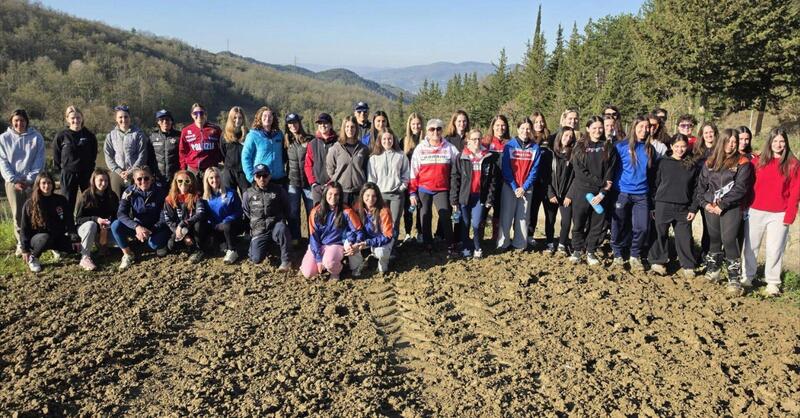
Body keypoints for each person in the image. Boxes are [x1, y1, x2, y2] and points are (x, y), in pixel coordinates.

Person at [742, 128, 800, 296]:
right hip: (755, 210)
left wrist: (790, 214)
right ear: (770, 142)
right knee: (751, 246)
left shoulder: (793, 164)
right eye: (775, 141)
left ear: (786, 143)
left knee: (775, 249)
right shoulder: (758, 162)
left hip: (779, 213)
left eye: (781, 141)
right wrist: (744, 206)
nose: (778, 144)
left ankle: (773, 282)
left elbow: (795, 192)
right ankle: (747, 276)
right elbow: (747, 186)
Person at [695, 128, 753, 296]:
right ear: (722, 142)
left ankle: (734, 278)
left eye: (734, 142)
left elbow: (741, 188)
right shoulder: (710, 161)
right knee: (714, 238)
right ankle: (713, 270)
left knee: (729, 240)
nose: (731, 144)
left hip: (730, 207)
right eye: (728, 141)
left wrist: (723, 204)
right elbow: (701, 185)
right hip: (711, 206)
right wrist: (705, 203)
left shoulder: (743, 162)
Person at [647, 134, 700, 278]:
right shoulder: (663, 162)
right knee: (660, 234)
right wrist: (653, 205)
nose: (680, 149)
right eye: (676, 146)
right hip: (663, 205)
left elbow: (696, 189)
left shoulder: (692, 165)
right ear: (671, 146)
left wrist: (693, 208)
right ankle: (658, 261)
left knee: (684, 237)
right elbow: (655, 184)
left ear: (687, 147)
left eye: (683, 146)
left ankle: (688, 265)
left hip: (683, 207)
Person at [568, 116, 617, 264]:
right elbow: (580, 172)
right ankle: (577, 250)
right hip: (582, 191)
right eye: (594, 128)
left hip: (600, 194)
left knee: (597, 224)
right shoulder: (579, 147)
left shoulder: (608, 147)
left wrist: (603, 192)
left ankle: (591, 251)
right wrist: (601, 183)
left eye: (600, 128)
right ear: (588, 129)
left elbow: (610, 171)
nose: (598, 131)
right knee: (578, 223)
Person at [611, 115, 657, 270]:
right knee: (618, 224)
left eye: (647, 127)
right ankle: (617, 254)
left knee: (642, 227)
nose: (644, 130)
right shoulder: (620, 146)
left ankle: (634, 255)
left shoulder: (650, 149)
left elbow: (652, 174)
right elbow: (612, 168)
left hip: (642, 195)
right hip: (622, 192)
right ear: (634, 127)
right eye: (641, 126)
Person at [409, 118, 459, 252]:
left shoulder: (449, 147)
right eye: (432, 129)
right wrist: (412, 192)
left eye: (438, 129)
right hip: (424, 188)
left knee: (445, 216)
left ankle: (450, 244)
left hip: (442, 188)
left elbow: (459, 164)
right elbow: (413, 171)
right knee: (425, 215)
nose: (435, 132)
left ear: (442, 131)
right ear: (427, 131)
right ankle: (428, 243)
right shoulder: (420, 148)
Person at [0, 109, 45, 255]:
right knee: (18, 213)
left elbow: (39, 160)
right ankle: (21, 242)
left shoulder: (36, 137)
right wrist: (14, 180)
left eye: (22, 120)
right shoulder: (3, 138)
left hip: (33, 182)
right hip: (13, 182)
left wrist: (30, 179)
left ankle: (37, 240)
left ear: (27, 121)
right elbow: (3, 161)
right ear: (11, 122)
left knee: (36, 211)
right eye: (16, 121)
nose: (19, 123)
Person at [450, 129, 500, 258]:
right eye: (474, 139)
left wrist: (490, 198)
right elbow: (455, 179)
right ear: (468, 141)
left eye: (479, 139)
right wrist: (454, 199)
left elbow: (492, 180)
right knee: (465, 224)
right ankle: (466, 247)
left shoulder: (487, 157)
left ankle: (478, 247)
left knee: (476, 224)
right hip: (465, 196)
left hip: (479, 197)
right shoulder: (461, 157)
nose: (477, 141)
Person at [300, 182, 364, 280]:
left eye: (336, 194)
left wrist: (356, 243)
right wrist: (318, 259)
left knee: (329, 263)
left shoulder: (347, 211)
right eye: (330, 194)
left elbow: (358, 230)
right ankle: (322, 263)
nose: (333, 197)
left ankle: (336, 271)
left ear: (340, 196)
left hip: (336, 245)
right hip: (319, 245)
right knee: (308, 273)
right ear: (325, 194)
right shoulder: (315, 212)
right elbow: (313, 237)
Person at [20, 173, 81, 273]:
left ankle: (56, 249)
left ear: (53, 184)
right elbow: (24, 228)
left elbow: (69, 221)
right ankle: (34, 258)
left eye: (49, 183)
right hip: (38, 238)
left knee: (77, 248)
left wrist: (75, 238)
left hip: (56, 236)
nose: (47, 186)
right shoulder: (30, 203)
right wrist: (25, 249)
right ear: (38, 185)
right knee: (45, 238)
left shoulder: (61, 200)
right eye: (43, 183)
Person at [111, 167, 170, 271]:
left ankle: (155, 243)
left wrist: (151, 230)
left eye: (146, 178)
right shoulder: (129, 192)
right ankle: (128, 254)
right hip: (138, 226)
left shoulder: (161, 191)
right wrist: (137, 227)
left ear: (151, 178)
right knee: (116, 225)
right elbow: (121, 214)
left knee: (153, 245)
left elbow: (165, 215)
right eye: (139, 179)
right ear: (134, 180)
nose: (143, 181)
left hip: (157, 227)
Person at [498, 118, 542, 251]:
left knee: (523, 217)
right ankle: (503, 243)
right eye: (522, 128)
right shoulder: (509, 146)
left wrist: (524, 187)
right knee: (506, 216)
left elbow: (534, 171)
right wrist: (515, 187)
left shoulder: (535, 148)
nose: (525, 131)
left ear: (531, 130)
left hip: (526, 188)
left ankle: (519, 244)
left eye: (528, 128)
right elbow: (506, 169)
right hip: (510, 186)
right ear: (517, 129)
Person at [242, 164, 291, 270]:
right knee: (255, 259)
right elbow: (246, 212)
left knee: (282, 228)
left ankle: (285, 261)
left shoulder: (278, 190)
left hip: (275, 227)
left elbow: (287, 207)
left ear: (269, 176)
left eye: (264, 175)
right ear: (254, 177)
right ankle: (265, 248)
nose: (262, 178)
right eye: (258, 176)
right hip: (259, 231)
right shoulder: (248, 194)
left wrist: (281, 220)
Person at [53, 105, 97, 214]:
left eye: (78, 117)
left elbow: (93, 154)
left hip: (86, 174)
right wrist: (62, 171)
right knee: (67, 203)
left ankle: (86, 221)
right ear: (67, 119)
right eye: (72, 118)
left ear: (82, 118)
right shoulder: (61, 136)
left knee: (89, 201)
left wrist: (89, 168)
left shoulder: (90, 136)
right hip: (68, 174)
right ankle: (68, 224)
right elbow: (56, 157)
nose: (76, 120)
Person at [368, 131, 409, 243]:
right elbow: (371, 178)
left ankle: (392, 246)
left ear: (394, 139)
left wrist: (401, 187)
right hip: (380, 195)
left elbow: (406, 174)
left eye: (390, 138)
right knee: (380, 221)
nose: (387, 141)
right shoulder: (374, 158)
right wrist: (374, 194)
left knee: (394, 222)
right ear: (380, 141)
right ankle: (380, 245)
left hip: (397, 195)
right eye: (384, 139)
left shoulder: (401, 155)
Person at [75, 169, 119, 270]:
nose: (103, 183)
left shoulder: (112, 195)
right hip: (87, 228)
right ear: (93, 181)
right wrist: (96, 219)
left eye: (106, 180)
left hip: (105, 229)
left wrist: (109, 223)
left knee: (117, 235)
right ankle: (85, 257)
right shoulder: (86, 195)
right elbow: (78, 219)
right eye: (100, 180)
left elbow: (116, 215)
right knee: (92, 225)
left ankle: (103, 246)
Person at [162, 170, 209, 263]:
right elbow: (169, 221)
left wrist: (184, 223)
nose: (183, 184)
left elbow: (200, 213)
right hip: (180, 230)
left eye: (187, 181)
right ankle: (188, 247)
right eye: (180, 181)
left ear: (192, 182)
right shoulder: (169, 199)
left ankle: (198, 250)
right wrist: (184, 235)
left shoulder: (196, 196)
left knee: (199, 224)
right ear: (175, 182)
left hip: (193, 227)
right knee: (171, 245)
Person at [348, 183, 394, 275]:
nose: (370, 199)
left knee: (381, 252)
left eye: (374, 196)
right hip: (364, 238)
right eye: (367, 195)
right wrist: (355, 241)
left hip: (381, 239)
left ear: (378, 197)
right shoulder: (356, 207)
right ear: (362, 195)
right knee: (349, 245)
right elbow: (352, 228)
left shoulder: (383, 211)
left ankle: (383, 265)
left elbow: (387, 236)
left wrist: (367, 243)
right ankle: (358, 265)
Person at [104, 105, 149, 198]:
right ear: (116, 119)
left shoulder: (139, 134)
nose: (123, 120)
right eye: (120, 117)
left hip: (135, 172)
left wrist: (132, 171)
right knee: (116, 199)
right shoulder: (111, 135)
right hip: (117, 173)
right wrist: (119, 171)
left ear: (130, 118)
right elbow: (108, 155)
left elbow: (142, 155)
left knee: (135, 199)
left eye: (126, 117)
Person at [202, 167, 244, 264]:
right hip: (216, 227)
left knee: (227, 226)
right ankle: (224, 243)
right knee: (212, 246)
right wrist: (214, 225)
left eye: (217, 177)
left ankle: (232, 250)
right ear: (207, 180)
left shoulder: (231, 193)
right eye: (211, 178)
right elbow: (206, 215)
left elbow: (239, 211)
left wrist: (225, 221)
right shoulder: (205, 198)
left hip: (231, 225)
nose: (214, 180)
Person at [326, 116, 369, 206]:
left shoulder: (363, 148)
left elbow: (366, 168)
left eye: (352, 127)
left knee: (357, 215)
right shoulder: (336, 148)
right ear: (343, 128)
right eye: (347, 127)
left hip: (358, 191)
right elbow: (330, 167)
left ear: (356, 128)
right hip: (341, 191)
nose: (350, 129)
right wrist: (337, 179)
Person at [285, 112, 314, 243]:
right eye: (290, 123)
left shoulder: (309, 139)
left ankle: (312, 239)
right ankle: (295, 238)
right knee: (293, 211)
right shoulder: (285, 141)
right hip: (293, 182)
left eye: (295, 122)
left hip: (308, 182)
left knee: (311, 211)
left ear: (299, 123)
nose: (293, 125)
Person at [528, 111, 556, 249]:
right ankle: (529, 236)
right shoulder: (528, 139)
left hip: (549, 182)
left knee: (550, 213)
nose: (539, 124)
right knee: (532, 212)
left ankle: (550, 240)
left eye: (541, 121)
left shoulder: (550, 138)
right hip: (534, 182)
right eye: (536, 122)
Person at [548, 126, 576, 256]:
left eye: (571, 137)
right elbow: (545, 176)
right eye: (566, 135)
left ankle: (562, 244)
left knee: (566, 221)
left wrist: (570, 195)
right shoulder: (551, 153)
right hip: (552, 194)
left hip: (566, 195)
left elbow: (575, 177)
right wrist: (550, 193)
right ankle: (549, 243)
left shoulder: (573, 155)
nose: (568, 138)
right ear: (560, 136)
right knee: (550, 220)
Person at [242, 106, 286, 187]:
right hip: (262, 179)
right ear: (260, 118)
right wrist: (251, 177)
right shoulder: (252, 135)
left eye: (270, 116)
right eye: (265, 116)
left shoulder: (279, 135)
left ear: (273, 118)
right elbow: (245, 157)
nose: (267, 118)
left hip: (279, 179)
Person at [178, 103, 222, 183]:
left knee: (209, 191)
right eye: (195, 113)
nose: (199, 115)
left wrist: (217, 160)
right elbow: (182, 152)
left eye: (201, 113)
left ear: (206, 114)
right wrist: (183, 169)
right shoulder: (186, 131)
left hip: (210, 170)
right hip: (192, 170)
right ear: (192, 115)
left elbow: (222, 147)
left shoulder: (216, 129)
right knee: (193, 191)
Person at [694, 121, 718, 260]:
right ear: (702, 135)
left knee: (708, 226)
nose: (708, 135)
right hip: (695, 192)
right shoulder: (696, 151)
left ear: (715, 133)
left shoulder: (719, 151)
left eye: (711, 132)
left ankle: (706, 254)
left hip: (709, 194)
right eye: (706, 133)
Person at [305, 112, 339, 204]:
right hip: (317, 187)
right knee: (318, 211)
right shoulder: (312, 143)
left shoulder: (338, 142)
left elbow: (341, 165)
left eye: (325, 123)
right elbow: (308, 165)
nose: (322, 125)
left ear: (331, 125)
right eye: (320, 123)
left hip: (334, 186)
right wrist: (313, 183)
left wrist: (333, 181)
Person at [401, 113, 424, 242]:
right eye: (413, 124)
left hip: (422, 179)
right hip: (408, 179)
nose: (416, 126)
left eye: (418, 124)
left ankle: (420, 231)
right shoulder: (403, 141)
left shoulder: (426, 141)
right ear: (409, 125)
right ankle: (408, 232)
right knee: (408, 208)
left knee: (421, 207)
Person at [220, 106, 250, 196]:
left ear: (243, 119)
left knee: (247, 198)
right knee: (230, 198)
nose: (237, 120)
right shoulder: (225, 135)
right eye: (235, 118)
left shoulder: (249, 134)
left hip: (244, 172)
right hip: (229, 172)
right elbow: (223, 152)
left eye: (240, 118)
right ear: (231, 118)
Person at [147, 109, 180, 184]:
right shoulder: (152, 137)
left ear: (171, 121)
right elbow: (149, 158)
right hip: (158, 177)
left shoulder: (179, 136)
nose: (165, 122)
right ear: (158, 122)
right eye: (162, 120)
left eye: (167, 119)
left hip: (175, 177)